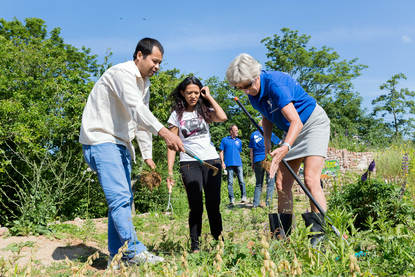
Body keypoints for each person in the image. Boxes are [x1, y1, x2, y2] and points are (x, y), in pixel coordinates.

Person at [79, 38, 184, 267]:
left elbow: (140, 120)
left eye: (160, 63)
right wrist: (166, 133)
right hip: (101, 139)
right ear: (139, 55)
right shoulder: (121, 74)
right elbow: (136, 108)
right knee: (120, 199)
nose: (157, 67)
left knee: (122, 202)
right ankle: (134, 251)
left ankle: (117, 257)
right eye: (154, 61)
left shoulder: (144, 84)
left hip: (121, 144)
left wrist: (147, 154)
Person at [226, 53, 331, 246]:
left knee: (310, 178)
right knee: (281, 183)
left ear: (257, 75)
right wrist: (267, 141)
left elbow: (296, 121)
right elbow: (267, 116)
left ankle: (319, 238)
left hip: (311, 123)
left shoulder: (275, 84)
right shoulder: (253, 95)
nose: (247, 91)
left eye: (248, 86)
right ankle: (283, 238)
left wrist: (285, 146)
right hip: (292, 129)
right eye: (240, 88)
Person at [166, 76, 227, 252]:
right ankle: (195, 246)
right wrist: (170, 171)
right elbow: (171, 145)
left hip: (211, 161)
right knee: (196, 206)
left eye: (196, 92)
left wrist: (208, 97)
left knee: (213, 204)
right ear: (182, 93)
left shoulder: (205, 110)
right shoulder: (176, 115)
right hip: (188, 163)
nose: (193, 96)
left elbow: (222, 117)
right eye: (189, 92)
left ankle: (219, 243)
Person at [249, 119, 280, 208]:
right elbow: (280, 143)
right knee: (270, 182)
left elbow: (251, 151)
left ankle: (255, 204)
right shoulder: (268, 132)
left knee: (259, 183)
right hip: (267, 160)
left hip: (257, 160)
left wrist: (252, 163)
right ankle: (268, 204)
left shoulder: (253, 135)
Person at [219, 125, 247, 205]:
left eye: (237, 130)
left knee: (241, 181)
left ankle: (244, 197)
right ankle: (232, 200)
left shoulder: (239, 141)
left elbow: (238, 152)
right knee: (230, 182)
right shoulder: (224, 140)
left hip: (238, 163)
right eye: (236, 130)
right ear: (231, 131)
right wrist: (222, 162)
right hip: (229, 164)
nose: (237, 131)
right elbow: (221, 152)